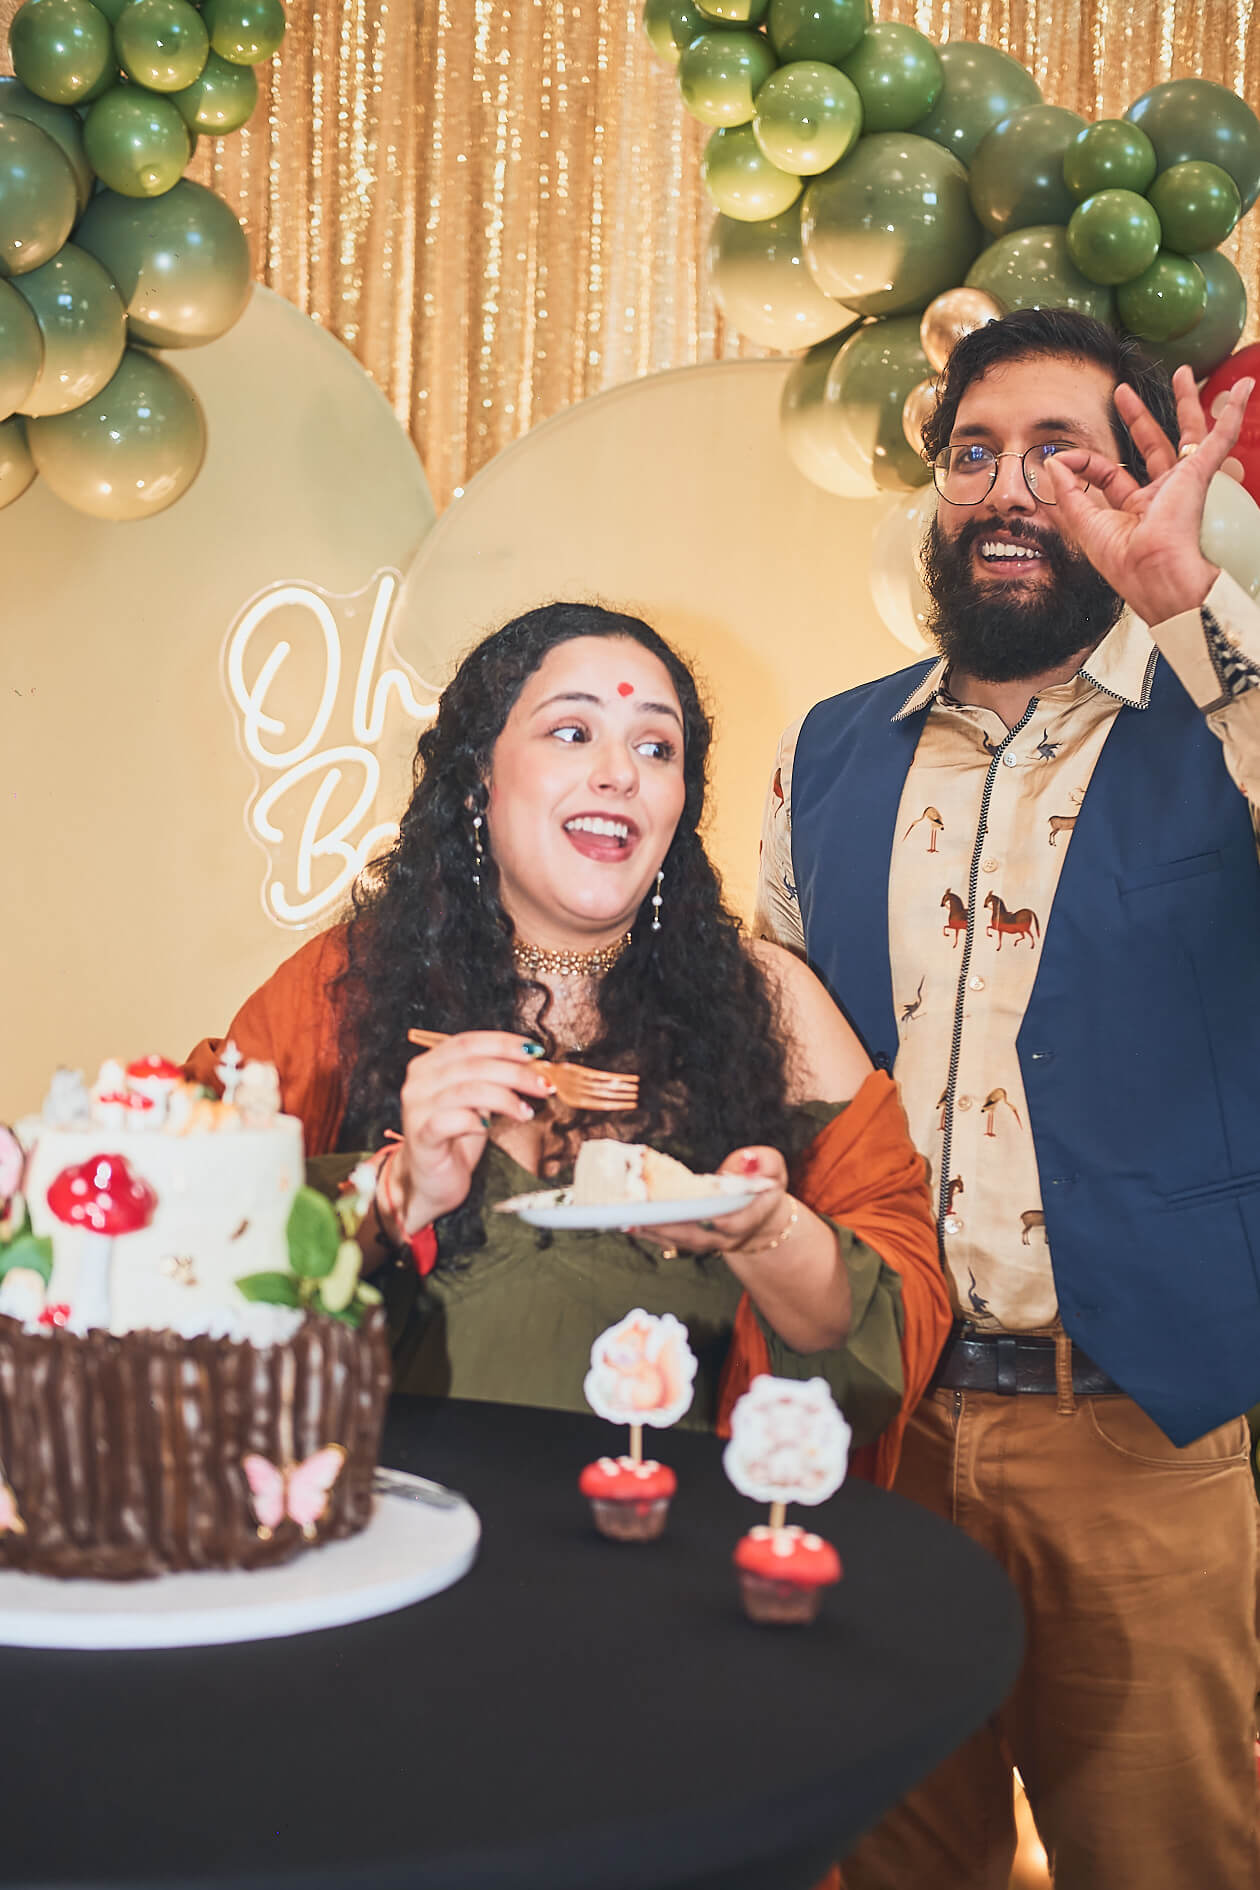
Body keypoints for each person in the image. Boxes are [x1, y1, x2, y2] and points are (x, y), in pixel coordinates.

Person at [757, 306, 1260, 1890]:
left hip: (1141, 1432)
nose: (1009, 489)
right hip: (882, 1422)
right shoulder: (827, 753)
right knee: (891, 1858)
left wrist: (1189, 604)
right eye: (974, 452)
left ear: (1139, 482)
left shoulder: (1217, 718)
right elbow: (777, 1045)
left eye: (1063, 454)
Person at [188, 601, 950, 1478]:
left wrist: (764, 1232)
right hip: (395, 1529)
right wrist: (397, 1193)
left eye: (656, 748)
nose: (620, 773)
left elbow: (889, 1341)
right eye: (572, 733)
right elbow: (186, 1248)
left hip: (667, 1538)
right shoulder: (342, 986)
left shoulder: (773, 1000)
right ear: (478, 776)